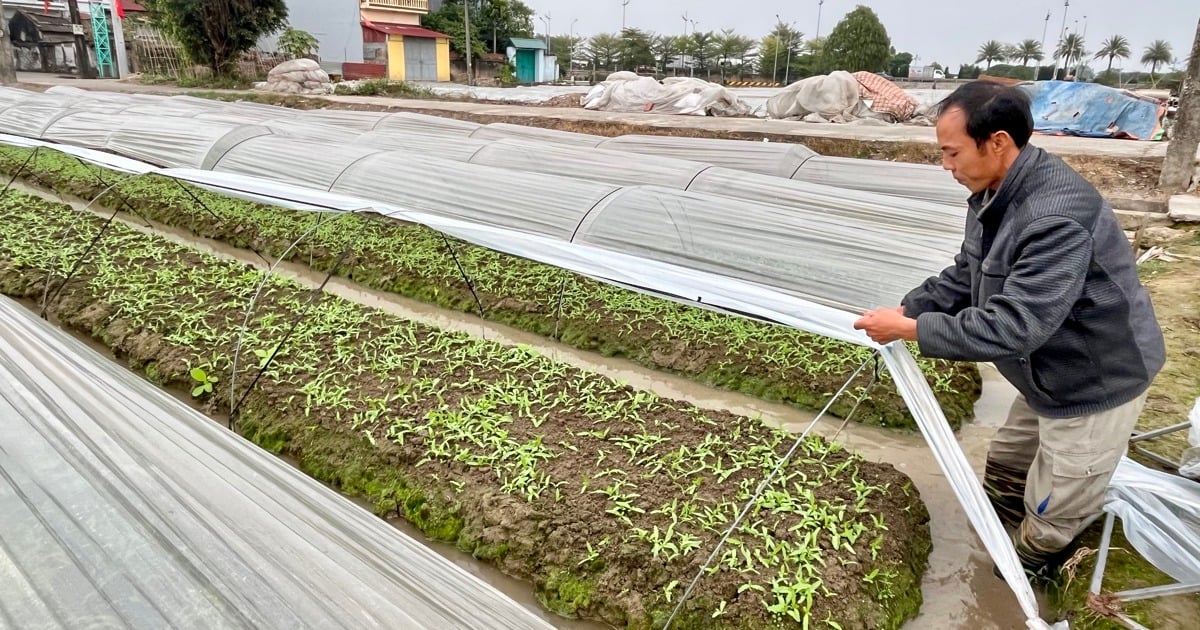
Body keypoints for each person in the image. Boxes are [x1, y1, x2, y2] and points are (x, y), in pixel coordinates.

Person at [852, 80, 1165, 575]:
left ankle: (1026, 573)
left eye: (952, 152)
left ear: (997, 142)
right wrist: (907, 308)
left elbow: (1016, 326)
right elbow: (966, 272)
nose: (946, 165)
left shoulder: (1054, 216)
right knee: (1006, 467)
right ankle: (992, 542)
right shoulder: (993, 191)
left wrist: (912, 330)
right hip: (1044, 369)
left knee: (1050, 514)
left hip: (1092, 378)